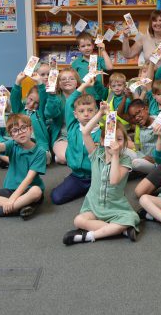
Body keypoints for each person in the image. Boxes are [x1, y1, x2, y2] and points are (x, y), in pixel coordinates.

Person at [63, 102, 139, 244]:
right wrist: (101, 113)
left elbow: (114, 180)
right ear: (103, 140)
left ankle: (88, 236)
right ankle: (120, 230)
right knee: (78, 220)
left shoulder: (125, 160)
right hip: (94, 206)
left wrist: (115, 156)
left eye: (120, 139)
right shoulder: (96, 154)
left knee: (130, 218)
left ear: (125, 143)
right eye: (110, 138)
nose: (114, 142)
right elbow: (85, 132)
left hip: (115, 207)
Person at [0, 113, 45, 220]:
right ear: (11, 136)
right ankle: (21, 206)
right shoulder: (12, 144)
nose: (20, 132)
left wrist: (12, 199)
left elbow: (28, 179)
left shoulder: (40, 152)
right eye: (15, 130)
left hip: (28, 190)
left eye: (23, 128)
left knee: (37, 191)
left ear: (30, 129)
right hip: (10, 189)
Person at [50, 75, 100, 205]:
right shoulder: (72, 127)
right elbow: (69, 102)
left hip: (97, 177)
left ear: (96, 112)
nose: (86, 114)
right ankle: (81, 188)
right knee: (56, 197)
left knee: (103, 201)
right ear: (75, 115)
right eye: (81, 111)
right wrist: (83, 86)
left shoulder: (102, 132)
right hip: (77, 176)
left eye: (90, 110)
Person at [44, 68, 80, 165]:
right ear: (58, 84)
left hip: (80, 135)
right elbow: (49, 114)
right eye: (63, 79)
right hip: (62, 136)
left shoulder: (83, 98)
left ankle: (73, 155)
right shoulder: (56, 98)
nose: (67, 80)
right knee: (63, 158)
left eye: (71, 78)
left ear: (77, 83)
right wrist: (51, 96)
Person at [71, 31, 112, 101]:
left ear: (93, 46)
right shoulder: (76, 63)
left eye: (89, 45)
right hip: (83, 96)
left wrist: (103, 50)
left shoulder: (98, 59)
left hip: (99, 96)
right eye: (83, 46)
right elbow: (73, 80)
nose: (86, 48)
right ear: (79, 48)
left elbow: (109, 67)